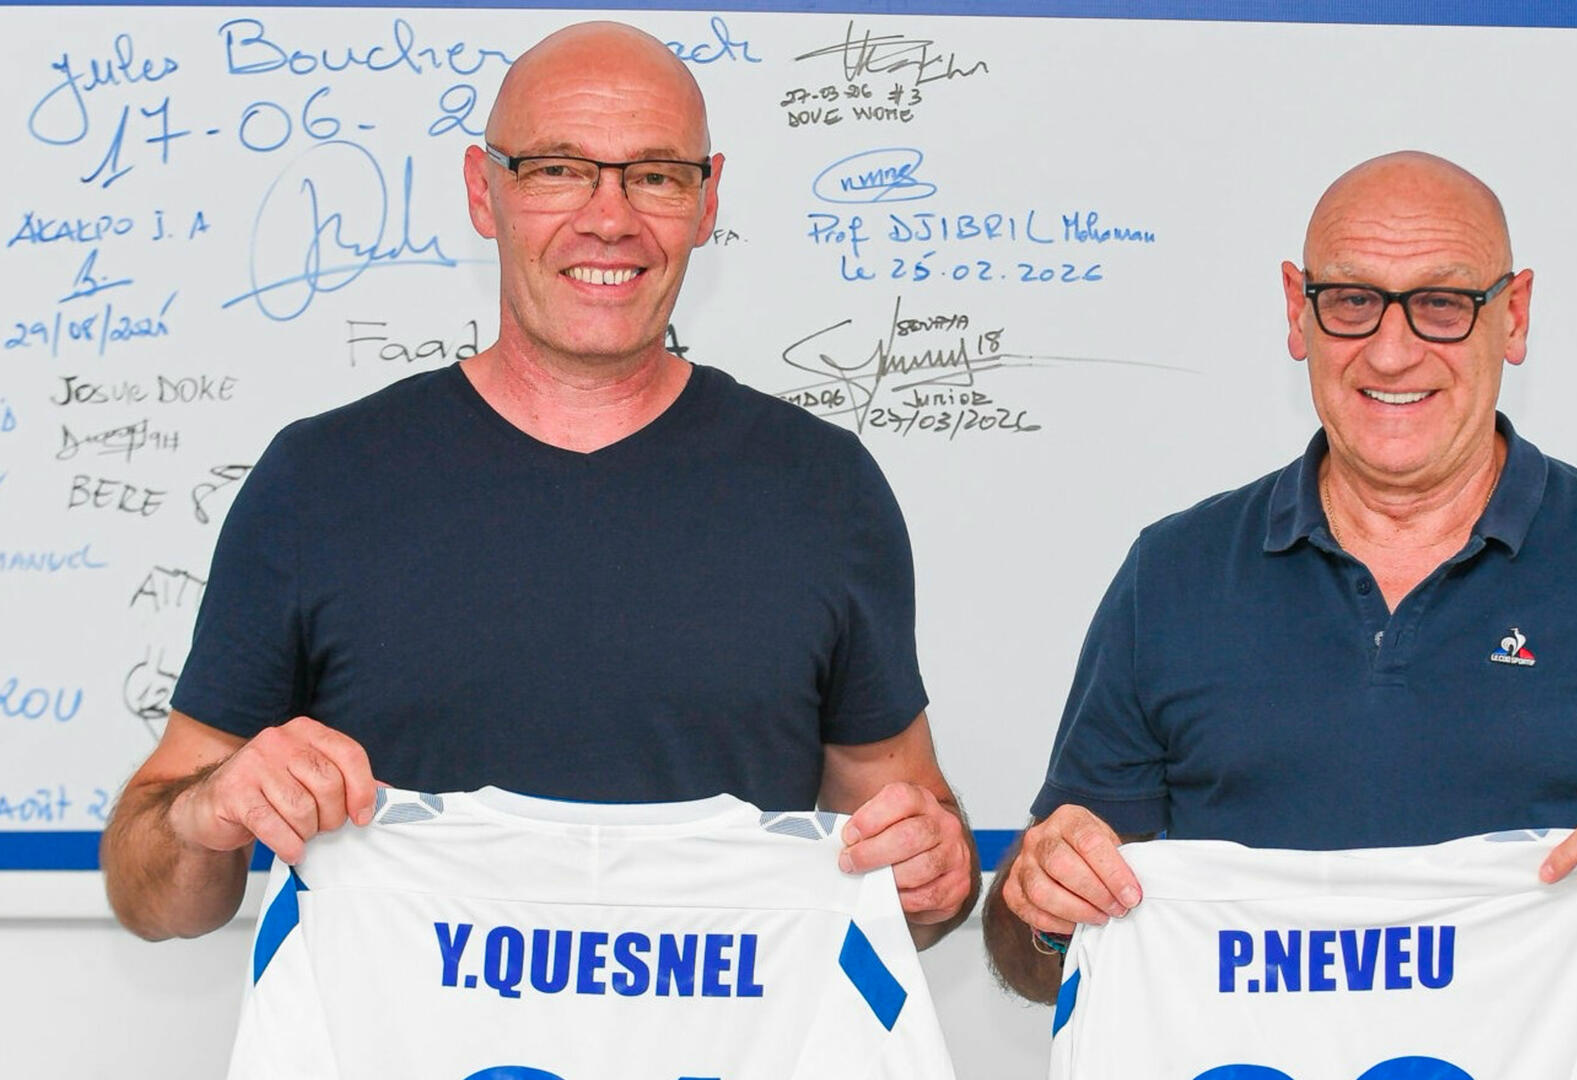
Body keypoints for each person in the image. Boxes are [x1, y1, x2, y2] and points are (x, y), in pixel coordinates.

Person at [100, 21, 977, 951]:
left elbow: (909, 867)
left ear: (707, 200)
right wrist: (205, 812)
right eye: (558, 169)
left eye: (656, 176)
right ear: (484, 192)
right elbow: (153, 898)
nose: (610, 219)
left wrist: (933, 870)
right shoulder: (317, 482)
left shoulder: (825, 491)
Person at [984, 150, 1577, 1001]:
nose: (1391, 352)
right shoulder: (1172, 578)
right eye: (1351, 301)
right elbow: (1028, 955)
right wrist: (1045, 909)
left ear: (1513, 316)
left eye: (1443, 304)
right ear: (1296, 310)